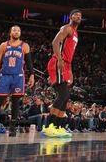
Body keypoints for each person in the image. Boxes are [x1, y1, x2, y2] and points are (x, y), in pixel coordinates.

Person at [0, 25, 34, 137]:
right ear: (10, 32)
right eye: (14, 30)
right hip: (5, 76)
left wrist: (32, 75)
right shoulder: (4, 45)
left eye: (18, 30)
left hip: (18, 76)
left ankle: (13, 127)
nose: (16, 32)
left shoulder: (25, 46)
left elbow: (29, 62)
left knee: (15, 102)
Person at [44, 9, 81, 138]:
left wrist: (70, 71)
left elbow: (69, 55)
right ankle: (49, 126)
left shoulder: (76, 33)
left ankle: (58, 127)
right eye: (75, 15)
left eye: (80, 16)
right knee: (63, 94)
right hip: (57, 62)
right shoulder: (67, 28)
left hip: (66, 65)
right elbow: (55, 42)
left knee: (66, 97)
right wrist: (59, 60)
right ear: (70, 17)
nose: (78, 16)